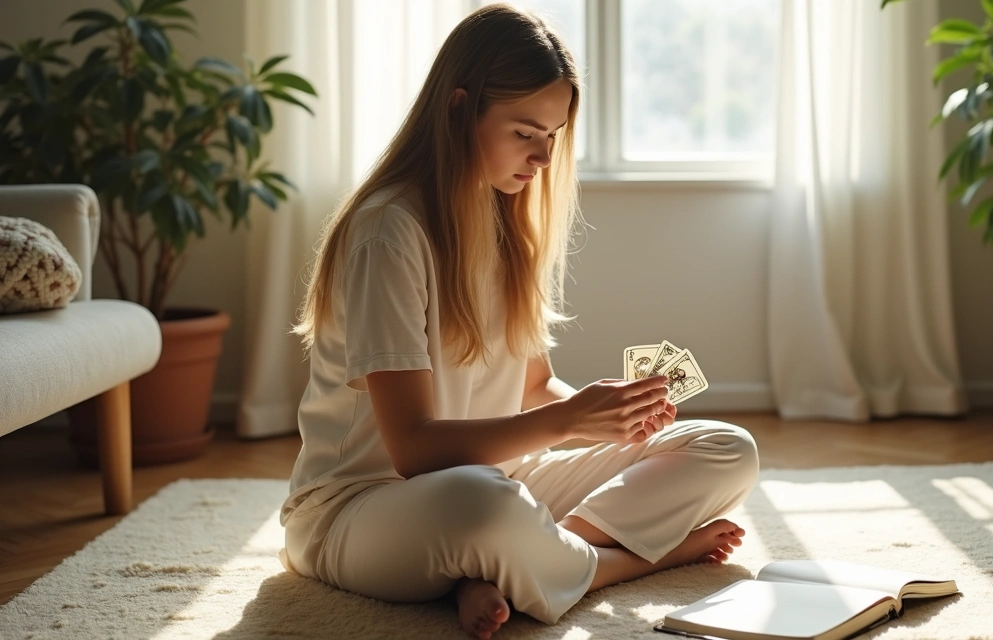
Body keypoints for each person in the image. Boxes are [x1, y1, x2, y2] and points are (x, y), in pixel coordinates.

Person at [281, 4, 759, 638]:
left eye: (553, 137)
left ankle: (511, 563)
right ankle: (619, 561)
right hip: (364, 504)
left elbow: (535, 390)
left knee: (727, 448)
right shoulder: (388, 234)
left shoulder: (503, 218)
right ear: (459, 107)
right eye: (524, 132)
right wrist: (568, 420)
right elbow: (414, 449)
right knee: (484, 505)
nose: (540, 156)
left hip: (496, 479)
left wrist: (614, 421)